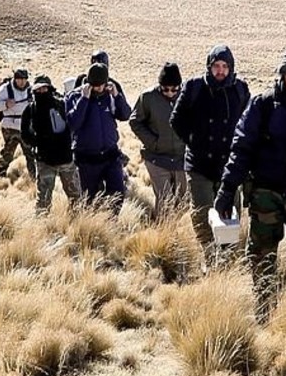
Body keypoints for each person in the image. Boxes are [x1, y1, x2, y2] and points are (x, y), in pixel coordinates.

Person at [215, 49, 286, 318]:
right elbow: (241, 148)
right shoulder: (263, 105)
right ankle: (265, 312)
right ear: (283, 73)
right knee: (261, 256)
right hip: (266, 193)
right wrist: (227, 189)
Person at [170, 45, 251, 253]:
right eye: (216, 66)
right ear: (209, 66)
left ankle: (227, 256)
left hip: (229, 166)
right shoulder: (194, 87)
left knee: (230, 214)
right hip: (199, 164)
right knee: (202, 213)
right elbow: (177, 119)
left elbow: (248, 124)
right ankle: (208, 252)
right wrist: (193, 141)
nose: (221, 71)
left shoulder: (240, 90)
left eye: (225, 66)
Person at [65, 63, 133, 210]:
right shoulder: (75, 96)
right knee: (89, 199)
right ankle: (94, 226)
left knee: (118, 194)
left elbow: (126, 114)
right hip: (87, 158)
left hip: (110, 155)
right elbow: (72, 124)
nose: (99, 89)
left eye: (102, 85)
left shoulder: (111, 96)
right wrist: (84, 100)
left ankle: (111, 224)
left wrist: (117, 96)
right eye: (95, 85)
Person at [129, 62, 188, 220]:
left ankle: (179, 233)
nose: (170, 93)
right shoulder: (148, 97)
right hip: (157, 158)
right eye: (165, 89)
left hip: (182, 158)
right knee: (165, 200)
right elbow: (135, 121)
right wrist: (152, 142)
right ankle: (163, 236)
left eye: (174, 89)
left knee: (184, 200)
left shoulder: (187, 97)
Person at [21, 75, 83, 214]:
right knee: (43, 199)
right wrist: (39, 143)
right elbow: (24, 134)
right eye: (38, 89)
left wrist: (66, 143)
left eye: (45, 88)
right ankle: (40, 229)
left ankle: (78, 226)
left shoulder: (62, 105)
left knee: (75, 197)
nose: (42, 91)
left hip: (65, 159)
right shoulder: (30, 110)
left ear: (50, 88)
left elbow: (73, 124)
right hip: (44, 160)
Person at [0, 68, 36, 178]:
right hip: (10, 126)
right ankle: (0, 173)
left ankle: (34, 178)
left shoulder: (31, 90)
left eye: (24, 79)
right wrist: (5, 104)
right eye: (19, 79)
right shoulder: (6, 89)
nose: (22, 81)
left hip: (26, 127)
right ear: (15, 79)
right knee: (8, 153)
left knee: (30, 154)